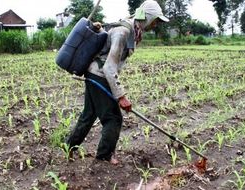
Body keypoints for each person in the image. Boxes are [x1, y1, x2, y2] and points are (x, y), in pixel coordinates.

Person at [65, 0, 169, 165]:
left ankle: (69, 146)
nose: (156, 24)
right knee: (113, 118)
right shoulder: (124, 32)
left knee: (89, 114)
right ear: (148, 17)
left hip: (94, 73)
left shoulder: (131, 30)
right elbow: (109, 68)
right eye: (156, 20)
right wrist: (121, 96)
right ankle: (104, 157)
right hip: (99, 75)